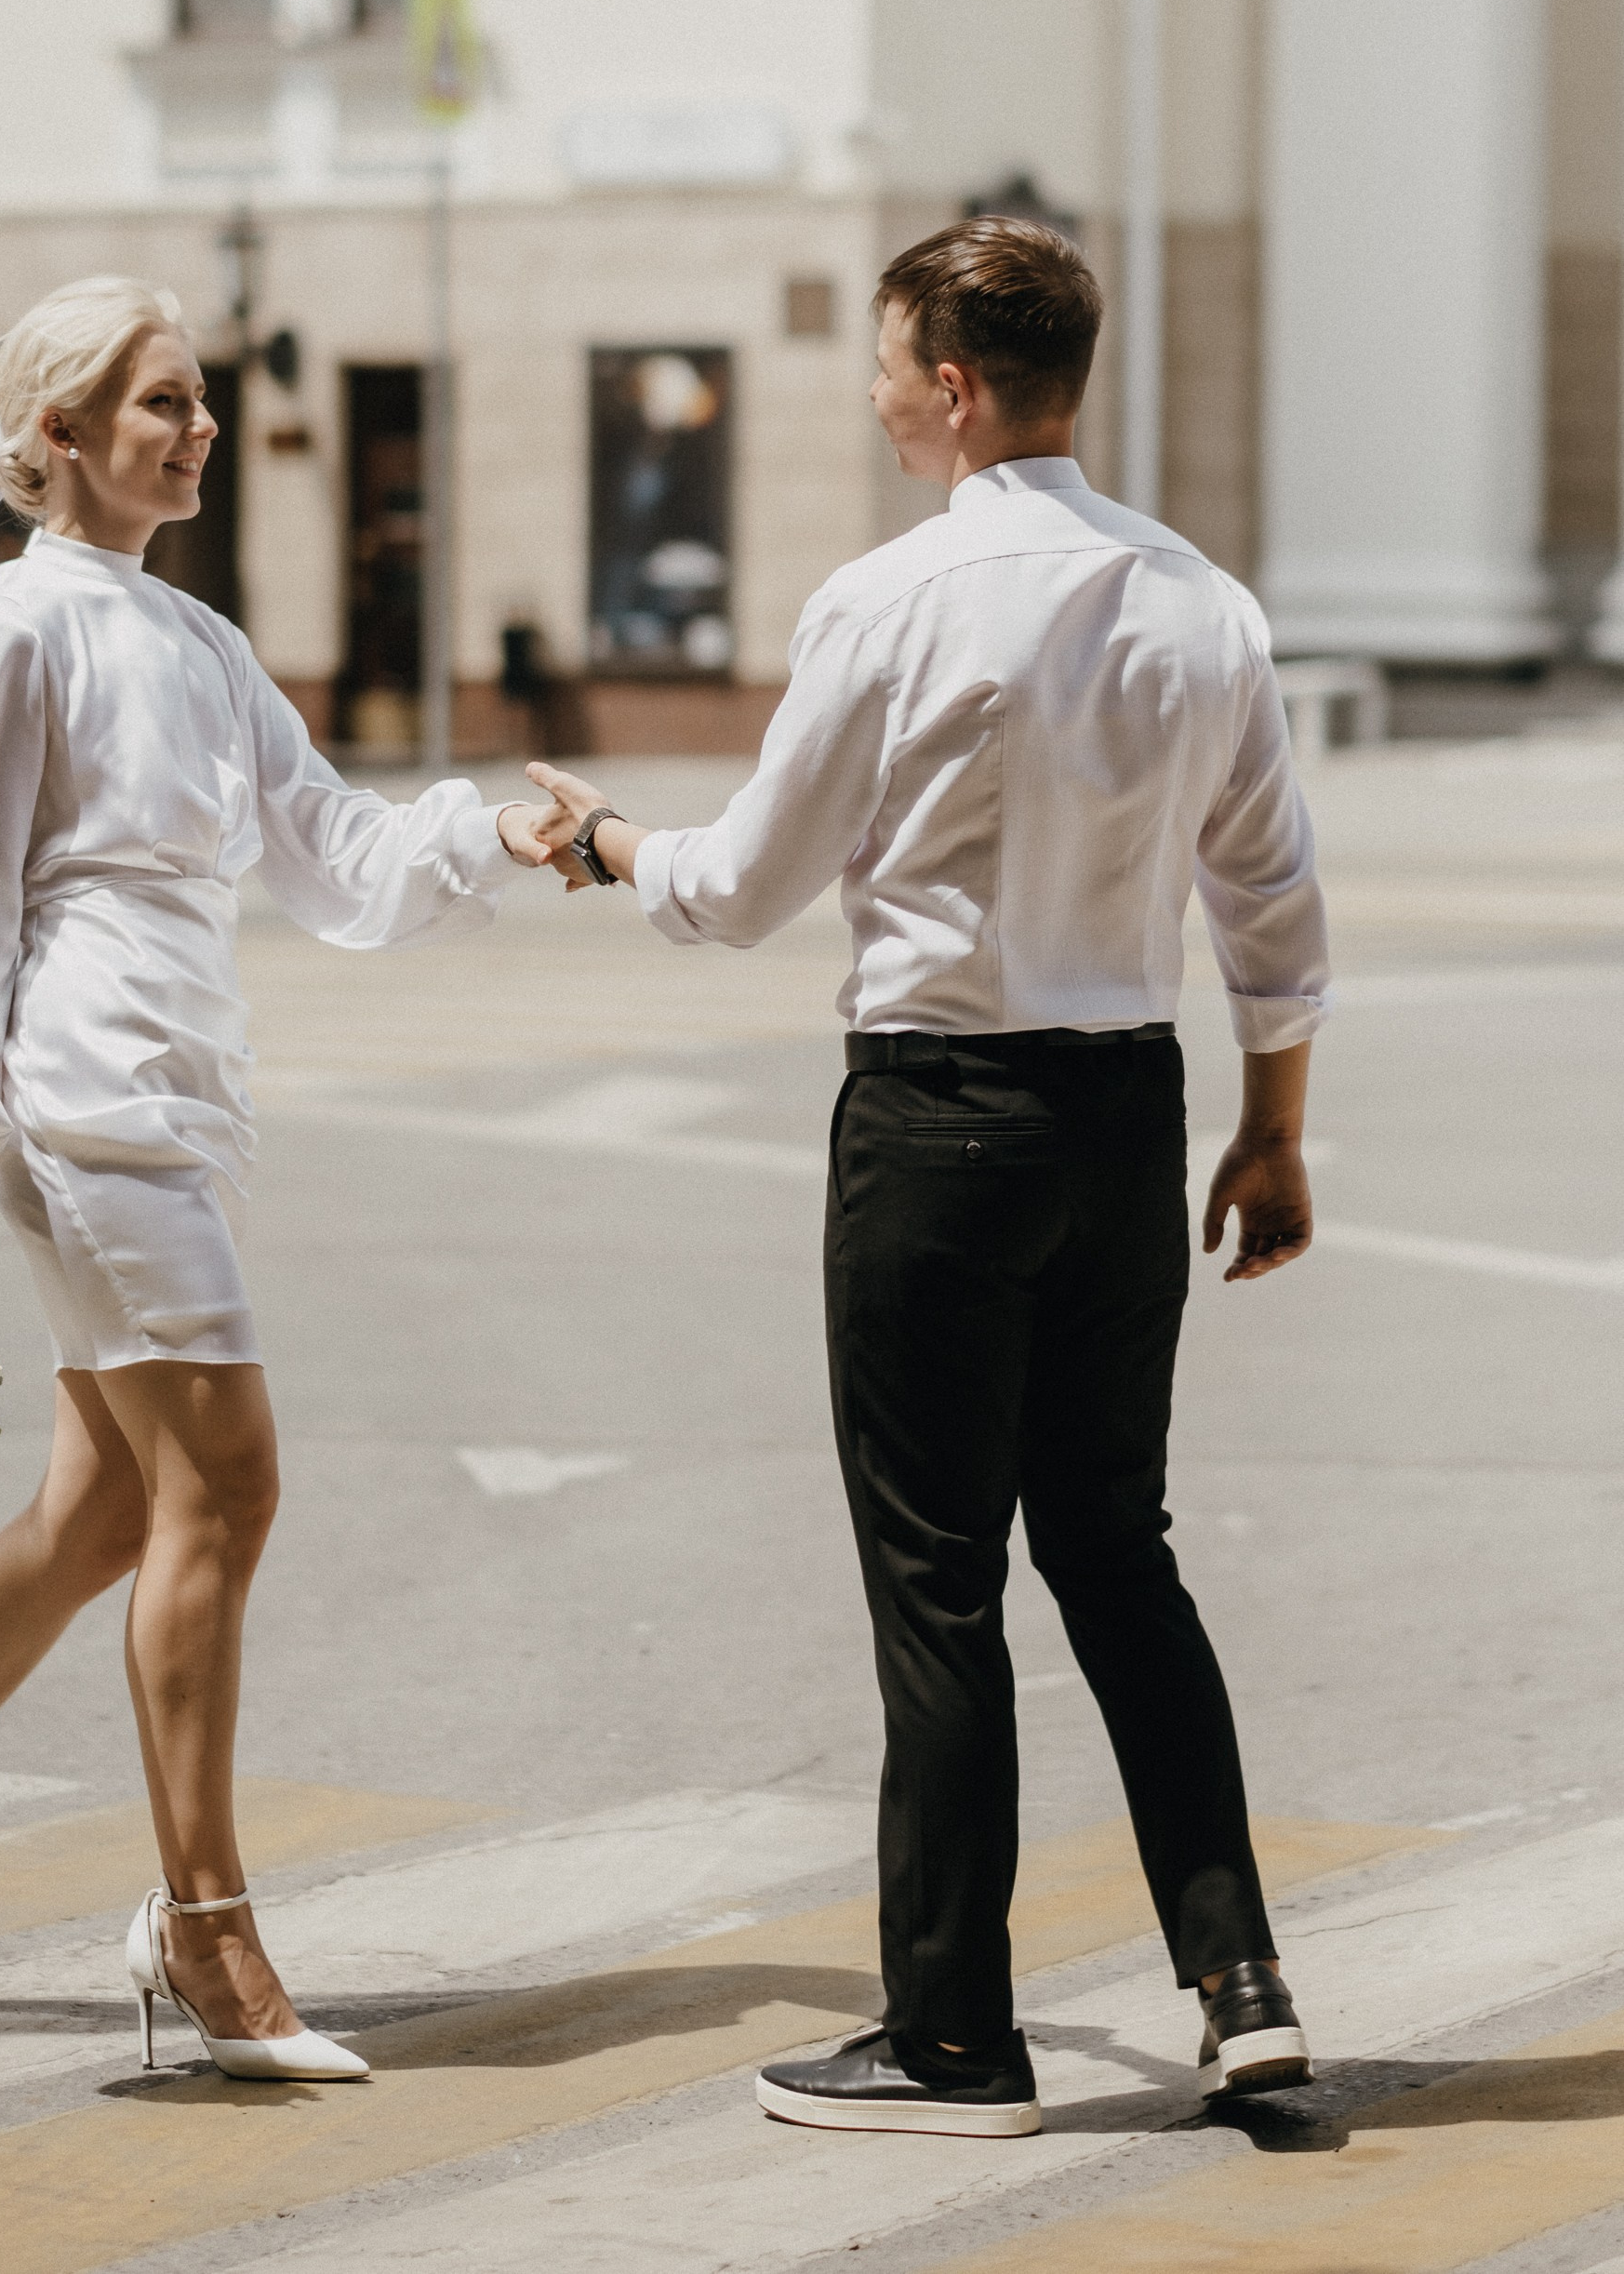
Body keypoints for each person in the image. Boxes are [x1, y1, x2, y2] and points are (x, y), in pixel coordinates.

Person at [524, 216, 1327, 2139]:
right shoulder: (1200, 600)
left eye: (890, 366)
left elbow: (730, 894)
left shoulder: (887, 601)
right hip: (1130, 1117)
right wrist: (1276, 1125)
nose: (880, 396)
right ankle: (1242, 1985)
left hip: (940, 1119)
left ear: (953, 387)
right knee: (1119, 1554)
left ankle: (955, 2035)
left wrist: (605, 837)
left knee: (939, 1579)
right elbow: (1274, 903)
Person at [0, 275, 554, 2079]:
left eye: (197, 400)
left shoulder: (195, 642)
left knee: (107, 1512)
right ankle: (203, 1927)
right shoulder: (16, 632)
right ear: (58, 440)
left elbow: (337, 853)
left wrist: (492, 830)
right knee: (235, 1485)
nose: (195, 430)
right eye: (161, 404)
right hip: (84, 1098)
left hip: (190, 1092)